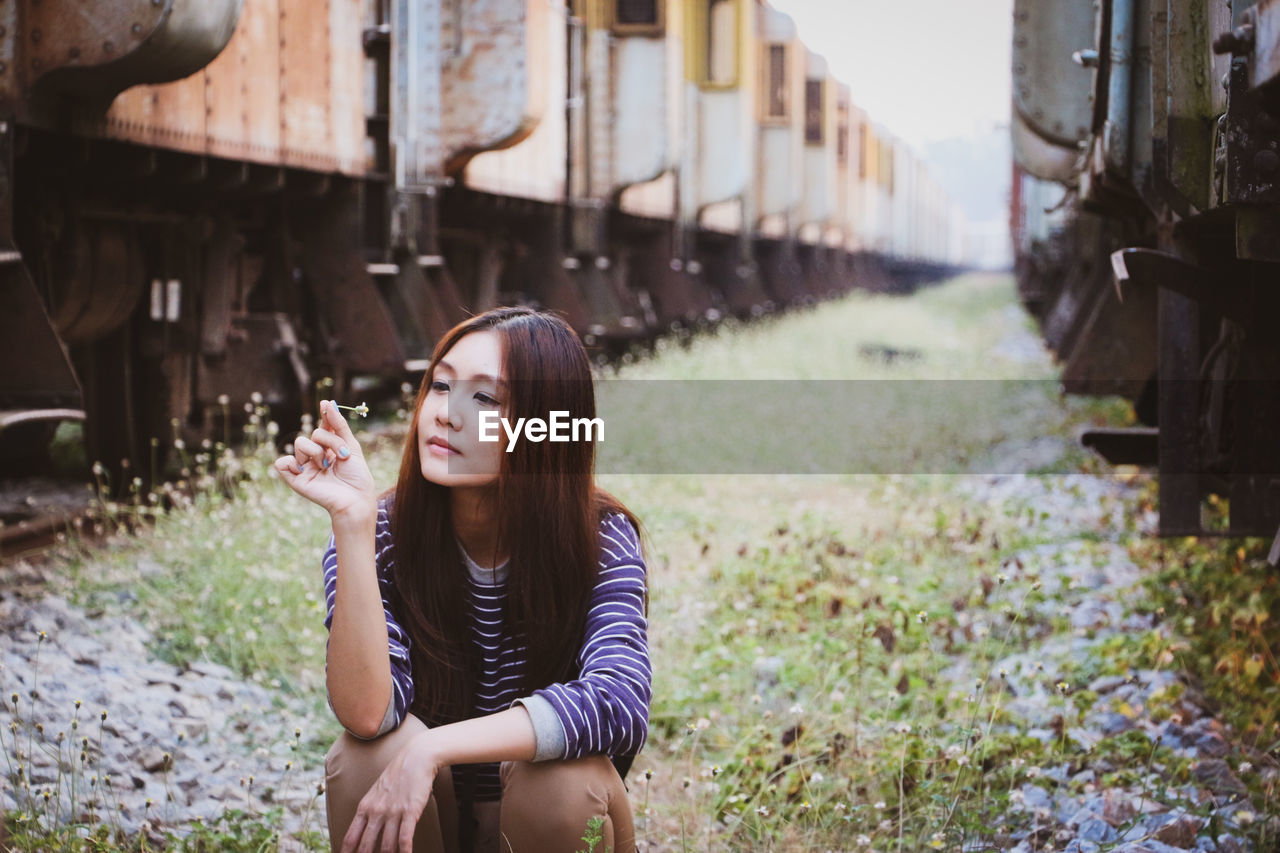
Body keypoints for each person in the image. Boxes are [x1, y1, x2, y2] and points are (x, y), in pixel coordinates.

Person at [273, 307, 651, 853]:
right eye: (441, 385)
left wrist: (432, 749)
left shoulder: (599, 536)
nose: (446, 414)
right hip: (432, 822)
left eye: (485, 399)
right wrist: (352, 526)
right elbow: (366, 714)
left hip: (540, 828)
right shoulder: (378, 530)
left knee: (563, 781)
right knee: (366, 755)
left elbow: (620, 698)